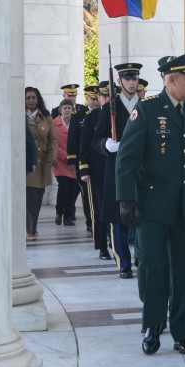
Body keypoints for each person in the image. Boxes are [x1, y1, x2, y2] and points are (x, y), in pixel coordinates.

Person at [116, 51, 185, 356]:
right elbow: (126, 160)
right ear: (171, 81)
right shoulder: (147, 111)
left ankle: (182, 330)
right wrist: (125, 199)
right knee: (152, 266)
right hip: (152, 207)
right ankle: (152, 325)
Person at [94, 62, 142, 278]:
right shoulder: (108, 108)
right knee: (117, 218)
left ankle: (141, 256)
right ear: (120, 81)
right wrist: (107, 145)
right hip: (116, 168)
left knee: (143, 216)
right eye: (128, 79)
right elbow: (95, 141)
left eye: (135, 78)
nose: (132, 82)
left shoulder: (147, 105)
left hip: (142, 169)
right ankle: (123, 262)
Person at [80, 82, 111, 260]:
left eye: (109, 96)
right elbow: (84, 145)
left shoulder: (119, 114)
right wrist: (84, 168)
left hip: (114, 168)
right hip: (97, 170)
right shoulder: (90, 117)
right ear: (98, 97)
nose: (106, 99)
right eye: (103, 96)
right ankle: (102, 246)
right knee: (99, 210)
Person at [25, 86, 58, 241]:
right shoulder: (20, 115)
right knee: (30, 197)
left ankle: (32, 227)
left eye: (33, 97)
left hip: (43, 161)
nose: (31, 100)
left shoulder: (45, 116)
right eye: (28, 98)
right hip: (28, 162)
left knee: (39, 196)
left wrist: (53, 156)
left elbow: (52, 138)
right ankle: (30, 230)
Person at [66, 85, 97, 230]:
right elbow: (72, 138)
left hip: (99, 160)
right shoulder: (78, 115)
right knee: (86, 194)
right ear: (87, 98)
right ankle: (90, 222)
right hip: (83, 161)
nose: (96, 101)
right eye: (93, 98)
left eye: (98, 98)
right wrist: (72, 160)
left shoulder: (104, 113)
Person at [52, 99, 80, 225]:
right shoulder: (54, 124)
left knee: (73, 189)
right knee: (63, 186)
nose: (67, 110)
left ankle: (68, 216)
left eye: (69, 108)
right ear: (60, 110)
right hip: (59, 162)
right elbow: (52, 143)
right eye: (65, 108)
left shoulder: (76, 123)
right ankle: (59, 213)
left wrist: (73, 158)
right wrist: (65, 156)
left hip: (72, 163)